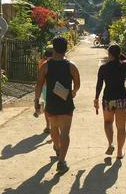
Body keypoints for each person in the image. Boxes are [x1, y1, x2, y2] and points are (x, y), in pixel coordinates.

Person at [35, 36, 80, 173]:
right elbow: (77, 85)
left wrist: (36, 101)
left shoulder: (45, 66)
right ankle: (61, 162)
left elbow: (39, 84)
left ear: (53, 49)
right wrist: (72, 92)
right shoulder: (71, 66)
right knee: (65, 132)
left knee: (54, 128)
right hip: (66, 104)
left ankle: (57, 148)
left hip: (52, 104)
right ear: (66, 49)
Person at [94, 44, 126, 159]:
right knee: (121, 127)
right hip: (121, 98)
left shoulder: (103, 68)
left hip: (109, 99)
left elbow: (99, 85)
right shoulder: (123, 65)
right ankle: (119, 152)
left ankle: (110, 144)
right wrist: (119, 55)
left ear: (109, 54)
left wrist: (96, 98)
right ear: (118, 54)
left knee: (108, 122)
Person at [37, 47, 54, 134]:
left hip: (45, 87)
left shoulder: (42, 63)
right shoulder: (59, 62)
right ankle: (54, 126)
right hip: (55, 88)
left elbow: (40, 80)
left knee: (47, 107)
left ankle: (48, 126)